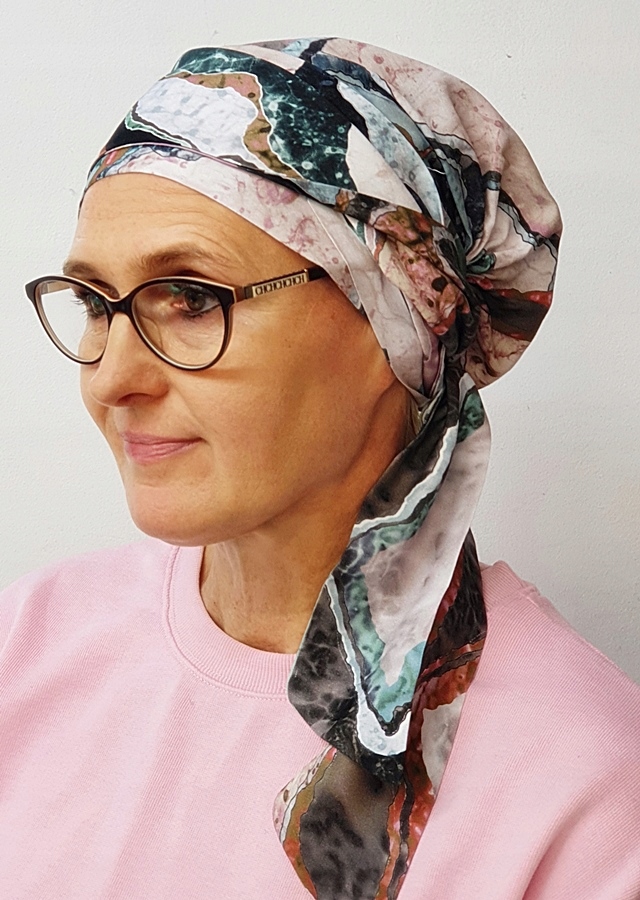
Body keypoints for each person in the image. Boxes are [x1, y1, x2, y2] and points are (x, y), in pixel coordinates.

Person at [3, 36, 640, 899]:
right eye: (93, 303)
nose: (112, 378)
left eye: (191, 298)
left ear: (398, 324)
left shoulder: (583, 786)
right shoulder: (26, 645)